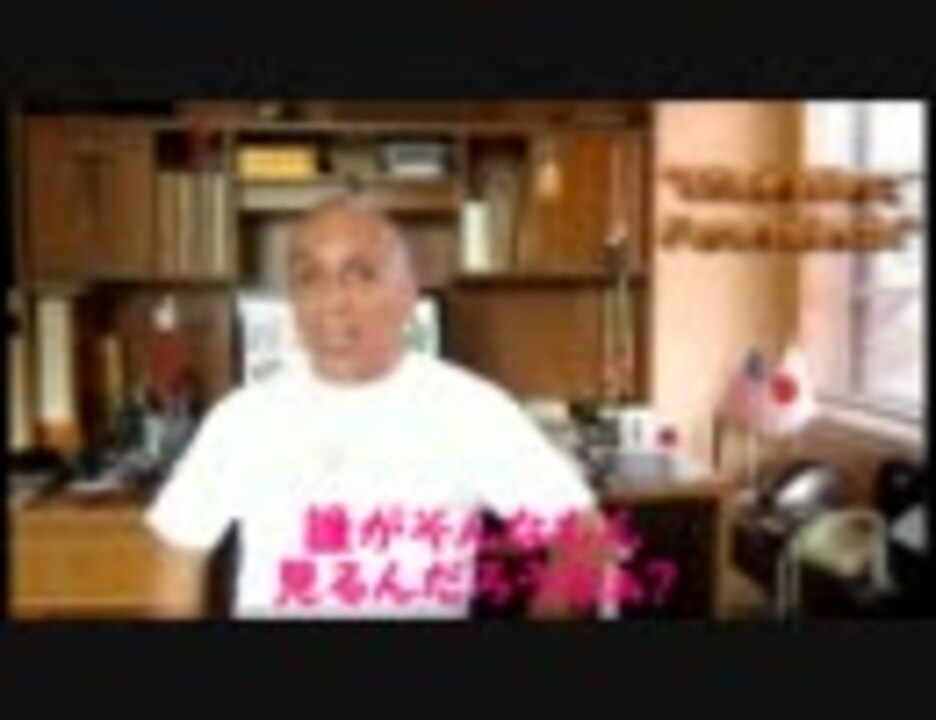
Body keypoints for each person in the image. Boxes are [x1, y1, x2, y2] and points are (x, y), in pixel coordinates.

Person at [144, 193, 609, 620]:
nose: (332, 302)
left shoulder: (470, 411)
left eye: (360, 275)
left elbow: (586, 538)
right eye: (309, 278)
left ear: (407, 295)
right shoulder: (242, 419)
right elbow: (177, 552)